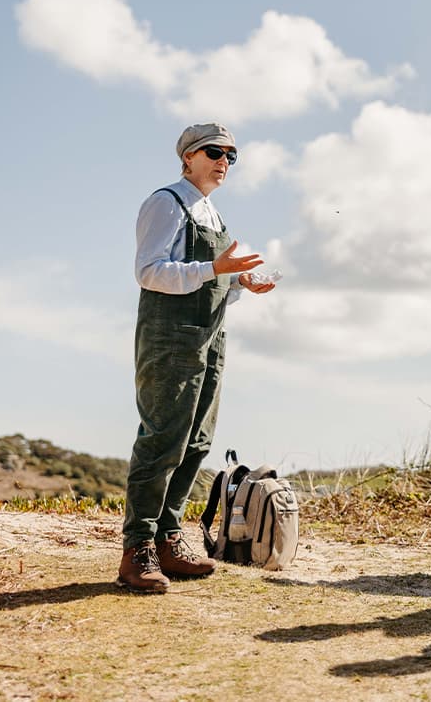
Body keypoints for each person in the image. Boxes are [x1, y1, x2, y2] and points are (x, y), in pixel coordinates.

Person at [118, 123, 276, 593]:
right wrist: (215, 268)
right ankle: (137, 549)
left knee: (198, 442)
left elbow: (209, 281)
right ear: (188, 157)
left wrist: (238, 283)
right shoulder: (166, 202)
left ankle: (169, 539)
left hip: (210, 337)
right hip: (169, 337)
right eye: (214, 152)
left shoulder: (212, 214)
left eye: (231, 155)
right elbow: (148, 272)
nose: (224, 160)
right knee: (163, 438)